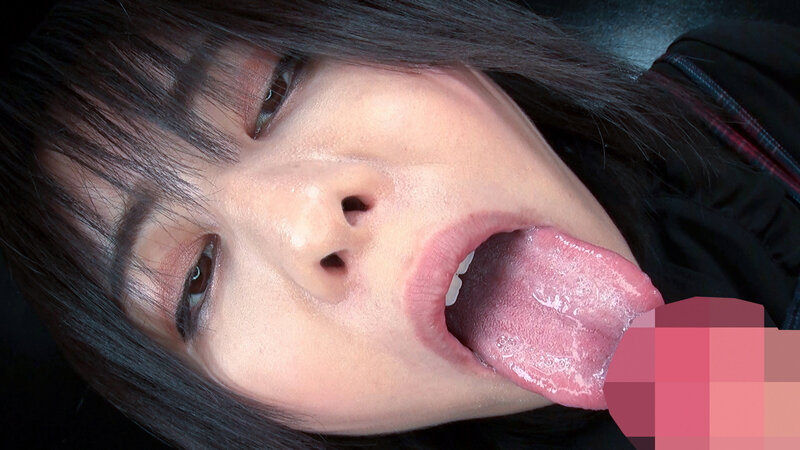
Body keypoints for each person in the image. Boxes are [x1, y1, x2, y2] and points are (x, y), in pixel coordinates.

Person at [0, 1, 797, 448]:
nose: (309, 221)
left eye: (273, 91)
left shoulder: (757, 85)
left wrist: (758, 398)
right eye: (195, 284)